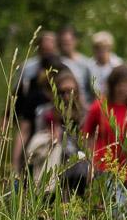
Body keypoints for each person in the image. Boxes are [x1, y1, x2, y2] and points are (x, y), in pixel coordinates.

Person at [25, 68, 93, 198]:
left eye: (71, 92)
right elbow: (37, 139)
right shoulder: (45, 112)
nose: (67, 96)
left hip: (80, 166)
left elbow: (90, 142)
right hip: (54, 162)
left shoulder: (86, 113)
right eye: (62, 92)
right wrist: (50, 135)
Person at [82, 63, 127, 196]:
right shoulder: (99, 106)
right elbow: (86, 136)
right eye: (119, 84)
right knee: (112, 209)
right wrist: (91, 163)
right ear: (112, 85)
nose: (124, 89)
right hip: (105, 167)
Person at [9, 31, 62, 176]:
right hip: (36, 149)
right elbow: (22, 127)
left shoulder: (66, 93)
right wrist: (15, 164)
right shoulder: (32, 90)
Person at [57, 25, 95, 103]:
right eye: (62, 42)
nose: (65, 46)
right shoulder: (56, 62)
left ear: (75, 41)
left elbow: (93, 89)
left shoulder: (86, 64)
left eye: (67, 42)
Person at [87, 30, 123, 99]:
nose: (101, 51)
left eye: (104, 47)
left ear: (110, 48)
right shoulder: (89, 65)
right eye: (97, 48)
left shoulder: (118, 64)